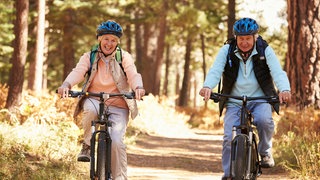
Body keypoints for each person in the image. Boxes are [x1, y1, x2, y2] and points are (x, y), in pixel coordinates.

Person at [199, 17, 291, 179]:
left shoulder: (265, 50)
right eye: (241, 38)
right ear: (236, 38)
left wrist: (284, 89)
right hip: (234, 100)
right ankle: (228, 174)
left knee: (264, 121)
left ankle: (265, 151)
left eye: (248, 38)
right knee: (229, 137)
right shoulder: (227, 50)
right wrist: (208, 86)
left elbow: (277, 72)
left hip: (260, 98)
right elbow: (216, 70)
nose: (245, 42)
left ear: (255, 37)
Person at [57, 20, 145, 179]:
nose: (109, 43)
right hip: (94, 98)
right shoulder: (89, 56)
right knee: (90, 110)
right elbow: (78, 72)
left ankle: (119, 177)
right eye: (106, 39)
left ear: (117, 42)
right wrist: (66, 84)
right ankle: (87, 146)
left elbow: (133, 74)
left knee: (117, 141)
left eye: (113, 40)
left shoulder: (123, 57)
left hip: (119, 102)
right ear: (99, 39)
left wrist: (138, 87)